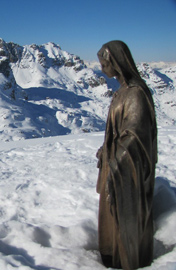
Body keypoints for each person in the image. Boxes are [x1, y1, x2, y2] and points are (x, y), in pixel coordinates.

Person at [96, 41, 157, 269]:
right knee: (110, 215)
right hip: (113, 164)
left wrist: (117, 158)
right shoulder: (122, 91)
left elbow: (135, 134)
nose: (102, 69)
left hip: (126, 168)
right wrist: (106, 149)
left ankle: (127, 258)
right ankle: (110, 253)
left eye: (104, 64)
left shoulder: (135, 94)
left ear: (117, 63)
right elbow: (118, 130)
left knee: (125, 217)